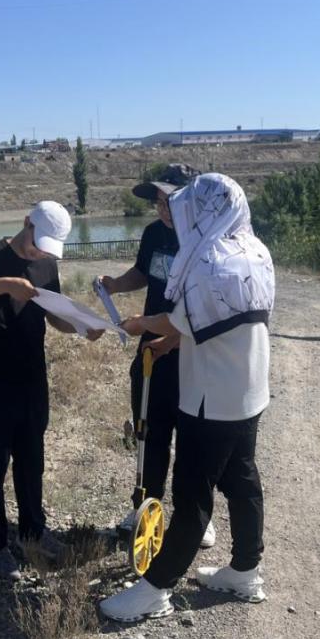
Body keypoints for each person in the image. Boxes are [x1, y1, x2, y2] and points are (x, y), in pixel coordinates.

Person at [100, 173, 275, 622]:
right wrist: (167, 342)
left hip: (210, 396)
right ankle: (246, 571)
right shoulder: (254, 250)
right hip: (248, 388)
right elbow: (207, 322)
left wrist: (141, 325)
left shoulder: (209, 261)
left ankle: (155, 589)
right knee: (241, 479)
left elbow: (175, 319)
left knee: (193, 495)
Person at [0, 201, 103, 580]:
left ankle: (33, 531)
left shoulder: (47, 263)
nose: (39, 253)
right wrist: (5, 284)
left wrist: (82, 327)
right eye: (37, 243)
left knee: (32, 458)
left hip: (32, 376)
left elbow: (53, 314)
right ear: (26, 223)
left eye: (47, 248)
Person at [98, 163, 217, 548]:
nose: (163, 208)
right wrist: (116, 285)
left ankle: (196, 515)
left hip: (193, 351)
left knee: (193, 436)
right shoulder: (153, 234)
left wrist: (174, 335)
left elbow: (210, 305)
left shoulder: (206, 238)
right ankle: (146, 506)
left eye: (170, 200)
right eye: (158, 201)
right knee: (149, 431)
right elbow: (143, 273)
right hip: (152, 349)